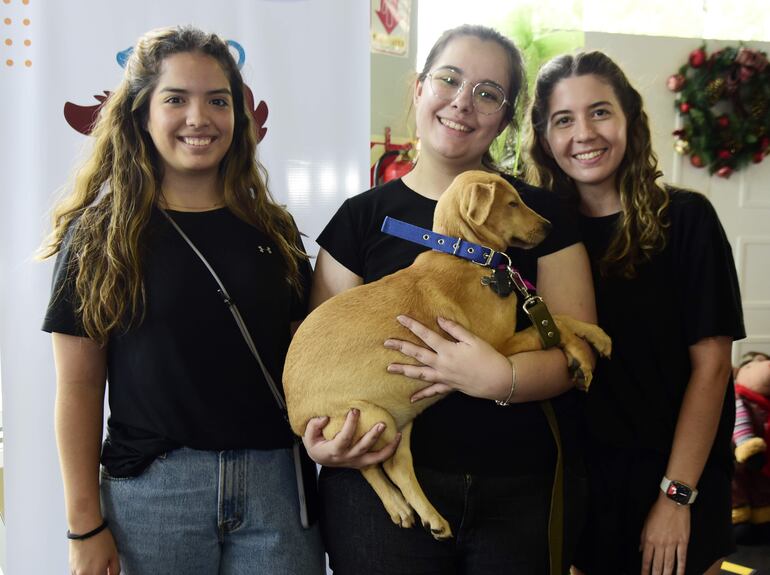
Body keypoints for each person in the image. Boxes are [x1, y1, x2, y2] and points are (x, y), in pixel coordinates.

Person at [302, 24, 597, 574]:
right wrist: (322, 443)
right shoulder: (358, 219)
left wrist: (499, 379)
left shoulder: (541, 219)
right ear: (418, 89)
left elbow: (577, 355)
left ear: (505, 119)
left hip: (519, 490)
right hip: (377, 497)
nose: (463, 102)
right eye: (449, 79)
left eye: (488, 93)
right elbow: (323, 363)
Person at [40, 26, 323, 575]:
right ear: (141, 114)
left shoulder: (275, 229)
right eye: (176, 99)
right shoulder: (101, 235)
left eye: (218, 101)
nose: (200, 118)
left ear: (237, 117)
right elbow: (77, 387)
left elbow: (305, 355)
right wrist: (84, 525)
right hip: (154, 494)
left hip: (277, 489)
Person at [527, 51, 745, 575]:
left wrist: (675, 498)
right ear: (545, 136)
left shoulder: (687, 219)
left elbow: (712, 368)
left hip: (674, 473)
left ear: (628, 118)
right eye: (564, 119)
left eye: (600, 112)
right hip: (579, 480)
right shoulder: (537, 235)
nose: (584, 133)